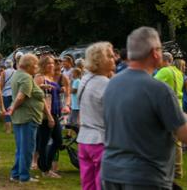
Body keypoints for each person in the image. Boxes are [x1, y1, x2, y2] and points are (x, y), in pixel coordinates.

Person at [101, 27, 187, 189]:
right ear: (155, 52)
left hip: (111, 173)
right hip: (145, 177)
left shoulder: (112, 84)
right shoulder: (158, 89)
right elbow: (183, 133)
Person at [77, 42, 115, 190]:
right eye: (110, 56)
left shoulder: (86, 79)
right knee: (103, 185)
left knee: (88, 184)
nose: (114, 58)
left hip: (84, 140)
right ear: (99, 60)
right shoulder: (105, 83)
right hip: (101, 140)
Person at [7, 53, 46, 184]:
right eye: (36, 65)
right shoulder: (26, 78)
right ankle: (24, 176)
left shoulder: (18, 75)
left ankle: (16, 173)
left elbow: (24, 93)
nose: (37, 68)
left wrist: (38, 88)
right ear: (29, 65)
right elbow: (20, 96)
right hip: (28, 118)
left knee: (21, 148)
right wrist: (12, 108)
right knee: (27, 148)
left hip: (20, 118)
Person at [34, 55, 63, 179]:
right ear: (43, 65)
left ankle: (46, 165)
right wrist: (49, 116)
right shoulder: (40, 78)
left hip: (55, 112)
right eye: (48, 63)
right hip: (46, 115)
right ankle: (45, 169)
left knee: (58, 141)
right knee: (43, 142)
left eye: (52, 63)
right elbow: (37, 95)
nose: (51, 65)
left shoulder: (51, 77)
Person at [0, 54, 18, 134]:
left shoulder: (4, 72)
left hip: (6, 94)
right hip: (14, 94)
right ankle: (15, 129)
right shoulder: (16, 72)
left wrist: (0, 92)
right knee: (14, 111)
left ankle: (8, 130)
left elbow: (2, 83)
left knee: (7, 111)